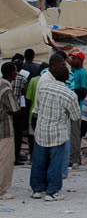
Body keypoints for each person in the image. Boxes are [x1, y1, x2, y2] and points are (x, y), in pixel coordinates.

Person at [30, 53, 80, 201]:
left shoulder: (44, 87)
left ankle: (37, 189)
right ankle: (52, 191)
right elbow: (76, 116)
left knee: (38, 161)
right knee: (55, 163)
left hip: (42, 129)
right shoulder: (69, 94)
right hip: (58, 132)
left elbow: (37, 106)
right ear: (66, 78)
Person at [0, 62, 20, 200]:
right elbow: (15, 109)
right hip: (5, 128)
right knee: (5, 161)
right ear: (10, 73)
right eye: (15, 71)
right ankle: (3, 190)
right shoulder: (6, 89)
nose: (16, 73)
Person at [69, 51, 87, 167]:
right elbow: (66, 59)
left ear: (80, 60)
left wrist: (78, 97)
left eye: (75, 58)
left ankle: (75, 158)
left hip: (77, 106)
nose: (73, 60)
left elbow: (84, 90)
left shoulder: (82, 72)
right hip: (71, 105)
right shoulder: (74, 69)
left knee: (75, 133)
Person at [10, 56, 28, 164]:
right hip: (18, 109)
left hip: (8, 109)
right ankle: (16, 157)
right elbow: (24, 94)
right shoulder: (23, 79)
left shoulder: (4, 78)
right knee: (18, 135)